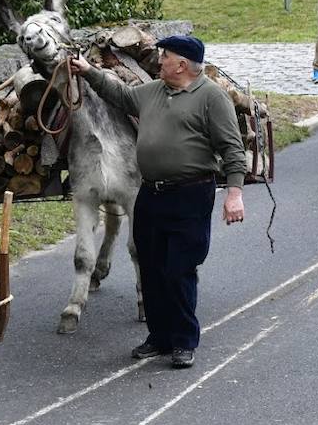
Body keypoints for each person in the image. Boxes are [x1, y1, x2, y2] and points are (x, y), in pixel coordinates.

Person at [68, 35, 247, 370]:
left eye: (165, 56)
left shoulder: (211, 98)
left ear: (182, 65)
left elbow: (232, 149)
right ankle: (159, 336)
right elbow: (118, 95)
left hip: (190, 194)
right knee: (150, 266)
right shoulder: (153, 91)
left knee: (179, 268)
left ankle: (183, 341)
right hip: (150, 193)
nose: (160, 60)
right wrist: (88, 71)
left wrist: (234, 193)